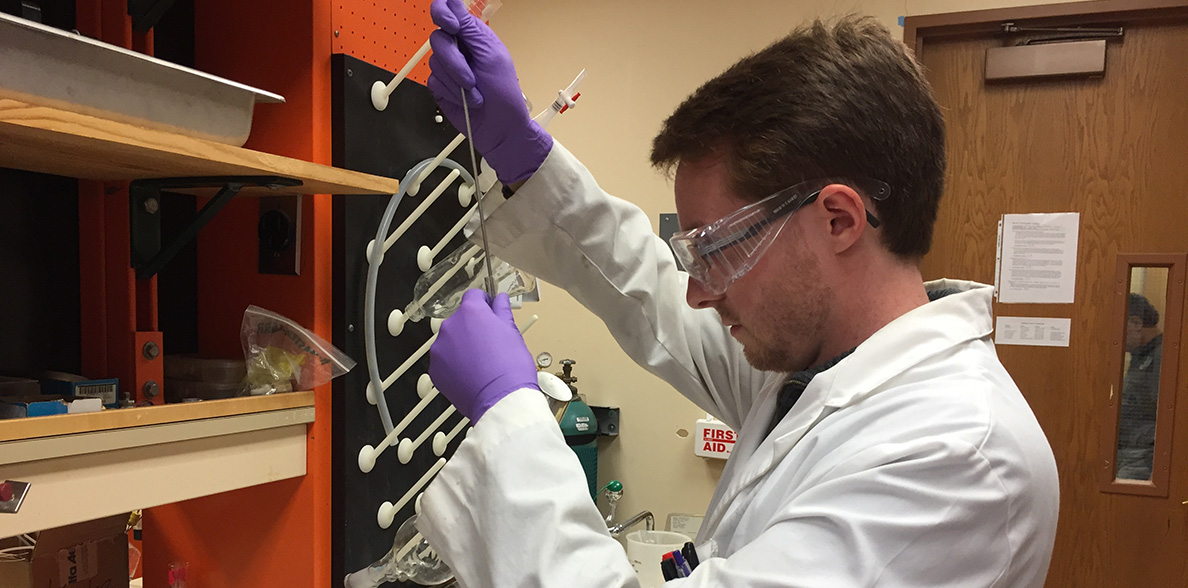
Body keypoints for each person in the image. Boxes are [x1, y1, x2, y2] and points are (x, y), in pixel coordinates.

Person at [417, 0, 1060, 586]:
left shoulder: (957, 457)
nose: (697, 293)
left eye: (715, 249)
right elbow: (650, 295)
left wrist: (509, 417)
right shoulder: (816, 370)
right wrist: (526, 159)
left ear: (838, 219)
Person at [1115, 293, 1163, 480]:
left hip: (1143, 457)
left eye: (1118, 327)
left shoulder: (1162, 355)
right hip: (1128, 450)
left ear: (1136, 323)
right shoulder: (1141, 354)